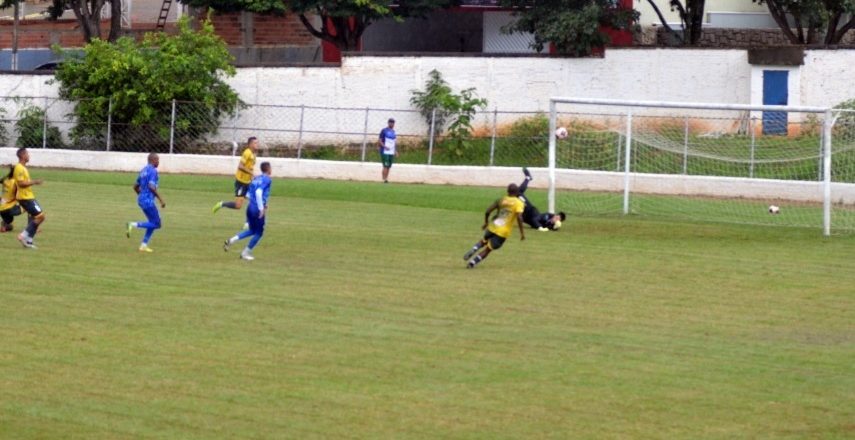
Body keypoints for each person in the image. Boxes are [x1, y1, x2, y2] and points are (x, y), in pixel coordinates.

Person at [463, 183, 526, 269]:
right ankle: (472, 263)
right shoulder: (519, 203)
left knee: (483, 241)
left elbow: (488, 211)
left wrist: (486, 222)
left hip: (493, 226)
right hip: (503, 232)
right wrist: (522, 233)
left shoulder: (501, 200)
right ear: (517, 192)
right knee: (488, 249)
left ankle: (474, 249)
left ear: (507, 191)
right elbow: (519, 217)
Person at [223, 161, 272, 261]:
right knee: (259, 233)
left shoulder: (256, 179)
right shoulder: (267, 179)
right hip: (257, 209)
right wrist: (261, 208)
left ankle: (231, 240)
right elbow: (259, 192)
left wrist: (261, 203)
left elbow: (249, 195)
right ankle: (245, 253)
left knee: (252, 230)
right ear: (268, 169)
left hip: (250, 207)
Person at [127, 153, 166, 252]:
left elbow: (135, 186)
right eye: (157, 160)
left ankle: (143, 245)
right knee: (157, 224)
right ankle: (132, 224)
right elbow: (151, 187)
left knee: (152, 222)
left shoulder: (143, 170)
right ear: (153, 160)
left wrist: (142, 195)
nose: (158, 162)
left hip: (141, 199)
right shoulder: (153, 171)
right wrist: (161, 199)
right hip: (148, 201)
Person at [213, 136, 258, 213]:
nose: (257, 144)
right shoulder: (247, 153)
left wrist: (251, 178)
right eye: (255, 143)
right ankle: (222, 204)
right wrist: (252, 173)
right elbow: (240, 166)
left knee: (255, 200)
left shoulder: (254, 154)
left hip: (248, 182)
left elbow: (250, 167)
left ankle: (248, 223)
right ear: (250, 144)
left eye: (257, 143)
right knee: (238, 205)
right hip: (241, 182)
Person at [14, 148, 45, 249]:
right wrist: (34, 182)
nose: (29, 156)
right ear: (23, 155)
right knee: (41, 217)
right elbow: (21, 183)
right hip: (25, 198)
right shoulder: (19, 168)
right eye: (27, 154)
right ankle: (23, 235)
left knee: (34, 218)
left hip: (28, 196)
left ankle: (29, 241)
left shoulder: (23, 168)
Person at [518, 167, 566, 231]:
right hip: (529, 210)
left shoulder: (551, 225)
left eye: (557, 219)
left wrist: (554, 227)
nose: (555, 219)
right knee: (517, 193)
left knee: (516, 194)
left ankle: (528, 178)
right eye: (556, 217)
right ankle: (528, 178)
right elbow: (534, 220)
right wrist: (540, 227)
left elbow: (552, 228)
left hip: (525, 216)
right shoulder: (548, 216)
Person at [0, 164, 22, 233]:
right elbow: (18, 196)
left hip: (1, 209)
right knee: (29, 207)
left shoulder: (4, 179)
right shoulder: (16, 182)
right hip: (9, 208)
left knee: (9, 222)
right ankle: (33, 228)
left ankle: (4, 226)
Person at [378, 118, 398, 183]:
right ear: (388, 123)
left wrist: (395, 151)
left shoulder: (393, 132)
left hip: (391, 151)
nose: (392, 124)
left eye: (393, 123)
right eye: (390, 122)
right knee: (385, 165)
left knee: (389, 166)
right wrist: (384, 146)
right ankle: (383, 179)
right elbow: (380, 141)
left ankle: (386, 178)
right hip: (385, 151)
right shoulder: (384, 131)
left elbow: (394, 142)